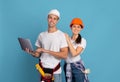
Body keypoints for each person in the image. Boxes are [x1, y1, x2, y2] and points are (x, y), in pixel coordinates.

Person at [26, 9, 68, 82]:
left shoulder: (61, 35)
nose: (52, 20)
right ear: (47, 18)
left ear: (57, 21)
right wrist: (32, 53)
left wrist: (46, 50)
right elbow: (38, 54)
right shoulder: (41, 35)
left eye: (55, 19)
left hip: (55, 72)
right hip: (42, 71)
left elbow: (64, 55)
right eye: (50, 17)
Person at [64, 18, 89, 82]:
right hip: (67, 66)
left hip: (77, 67)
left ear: (81, 28)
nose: (76, 28)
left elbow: (74, 54)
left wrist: (67, 40)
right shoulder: (67, 39)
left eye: (78, 27)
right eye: (74, 26)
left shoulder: (82, 40)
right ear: (71, 27)